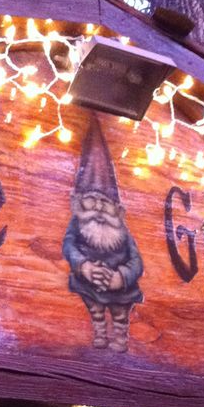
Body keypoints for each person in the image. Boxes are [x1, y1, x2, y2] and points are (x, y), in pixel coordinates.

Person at [62, 115, 144, 353]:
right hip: (88, 281)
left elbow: (136, 260)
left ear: (118, 210)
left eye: (105, 202)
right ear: (78, 202)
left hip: (120, 286)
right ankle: (98, 329)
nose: (98, 208)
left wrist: (122, 276)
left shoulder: (122, 232)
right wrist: (83, 266)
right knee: (95, 308)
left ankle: (120, 336)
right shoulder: (78, 225)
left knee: (119, 312)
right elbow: (69, 247)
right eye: (91, 200)